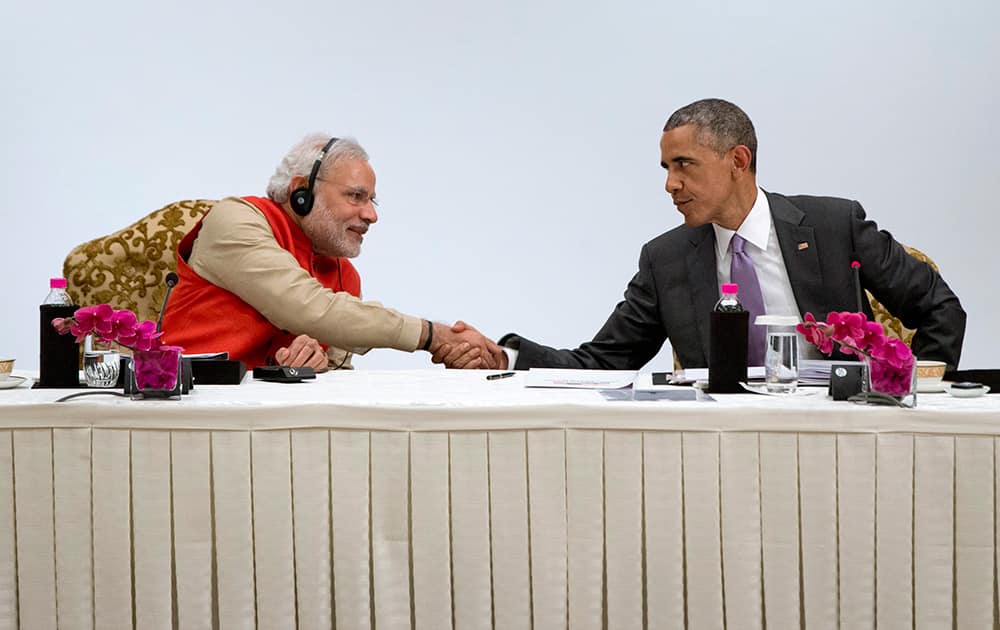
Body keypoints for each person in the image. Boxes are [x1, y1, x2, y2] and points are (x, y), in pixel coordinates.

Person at [438, 98, 966, 371]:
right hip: (717, 453)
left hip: (839, 438)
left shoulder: (833, 227)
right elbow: (602, 362)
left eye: (684, 165)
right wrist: (506, 356)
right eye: (666, 167)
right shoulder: (666, 259)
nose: (671, 184)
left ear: (739, 160)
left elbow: (939, 308)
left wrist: (909, 397)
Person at [162, 134, 500, 370]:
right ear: (300, 192)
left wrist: (317, 366)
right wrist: (432, 336)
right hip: (186, 406)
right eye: (355, 196)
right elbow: (308, 309)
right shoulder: (236, 219)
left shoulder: (344, 275)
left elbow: (337, 375)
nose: (371, 215)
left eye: (372, 201)